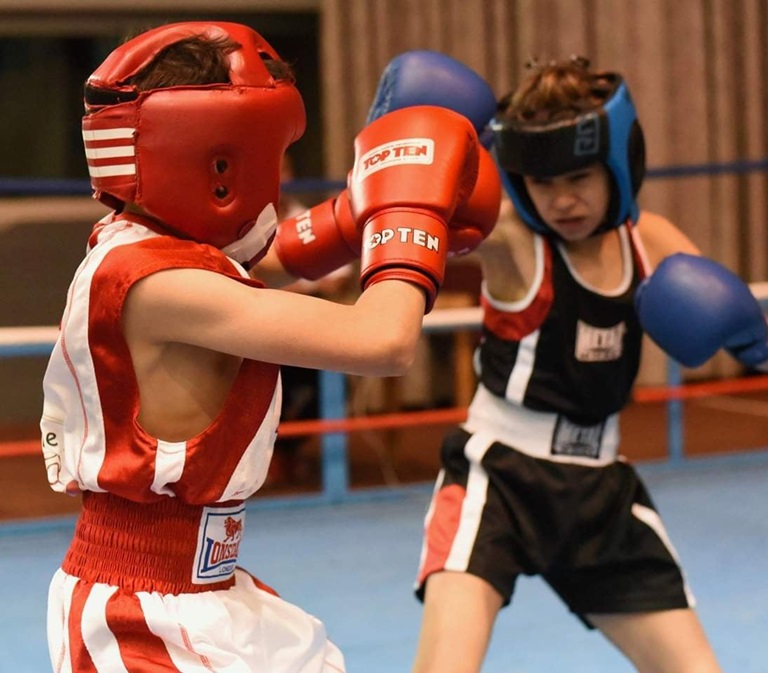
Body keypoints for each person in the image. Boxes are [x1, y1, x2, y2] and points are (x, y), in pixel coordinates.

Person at [40, 23, 498, 672]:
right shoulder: (163, 285)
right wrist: (411, 213)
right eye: (273, 154)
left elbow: (283, 248)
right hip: (142, 614)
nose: (282, 174)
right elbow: (384, 338)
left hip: (200, 588)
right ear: (221, 164)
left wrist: (369, 201)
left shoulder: (141, 233)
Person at [410, 56, 768, 673]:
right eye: (543, 183)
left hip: (600, 489)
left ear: (617, 162)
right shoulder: (510, 239)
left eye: (580, 176)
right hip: (499, 477)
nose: (562, 200)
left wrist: (745, 326)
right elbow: (379, 229)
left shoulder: (655, 242)